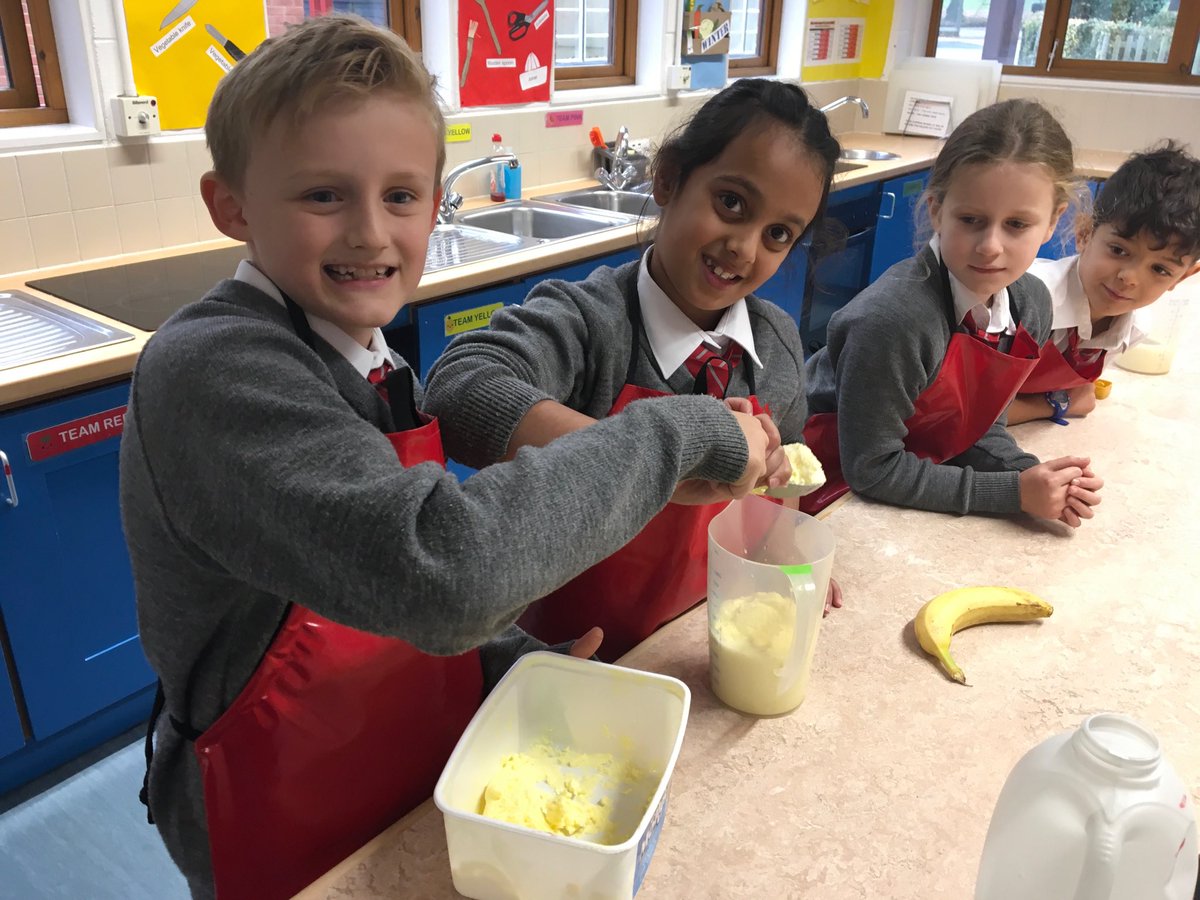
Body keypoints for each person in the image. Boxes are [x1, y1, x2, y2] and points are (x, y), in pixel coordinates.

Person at [119, 16, 772, 900]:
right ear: (231, 206)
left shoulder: (363, 351)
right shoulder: (217, 372)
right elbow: (438, 567)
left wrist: (505, 663)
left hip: (391, 772)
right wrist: (682, 430)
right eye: (322, 196)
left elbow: (359, 569)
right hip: (277, 810)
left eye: (400, 196)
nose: (369, 234)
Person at [424, 79, 843, 662]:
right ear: (668, 178)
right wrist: (646, 454)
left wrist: (787, 564)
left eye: (777, 234)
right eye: (731, 203)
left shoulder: (775, 343)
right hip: (576, 657)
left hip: (703, 646)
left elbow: (779, 485)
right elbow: (458, 387)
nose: (745, 248)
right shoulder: (589, 324)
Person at [802, 99, 1104, 526]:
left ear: (1053, 221)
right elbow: (872, 468)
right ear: (936, 209)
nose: (990, 246)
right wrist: (1012, 494)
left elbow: (979, 430)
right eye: (971, 219)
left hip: (911, 480)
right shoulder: (895, 320)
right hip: (825, 493)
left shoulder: (1029, 304)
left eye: (1017, 225)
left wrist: (1033, 476)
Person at [1007, 142, 1200, 424]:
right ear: (1085, 233)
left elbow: (1080, 395)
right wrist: (1056, 404)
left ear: (1182, 277)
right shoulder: (1022, 300)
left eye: (1159, 269)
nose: (1129, 278)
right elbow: (964, 413)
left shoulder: (1134, 328)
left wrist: (1068, 400)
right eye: (1119, 250)